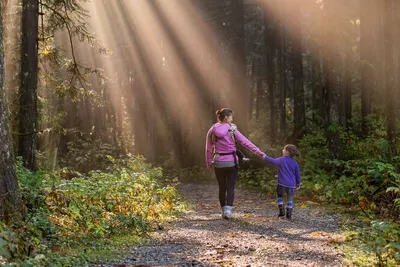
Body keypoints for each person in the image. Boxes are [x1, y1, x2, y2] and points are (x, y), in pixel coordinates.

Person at [205, 108, 265, 219]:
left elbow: (208, 148)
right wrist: (259, 152)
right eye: (231, 117)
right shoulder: (232, 129)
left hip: (218, 162)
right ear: (227, 117)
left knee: (222, 187)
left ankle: (223, 211)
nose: (232, 119)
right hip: (231, 162)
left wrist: (209, 162)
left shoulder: (212, 129)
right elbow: (246, 142)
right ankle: (228, 211)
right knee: (230, 187)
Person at [262, 144, 301, 220]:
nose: (282, 151)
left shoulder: (281, 159)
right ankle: (289, 214)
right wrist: (298, 183)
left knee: (280, 196)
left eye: (283, 149)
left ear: (286, 152)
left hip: (282, 183)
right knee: (290, 198)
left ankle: (281, 211)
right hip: (291, 184)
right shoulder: (295, 163)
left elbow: (272, 161)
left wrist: (263, 156)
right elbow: (298, 174)